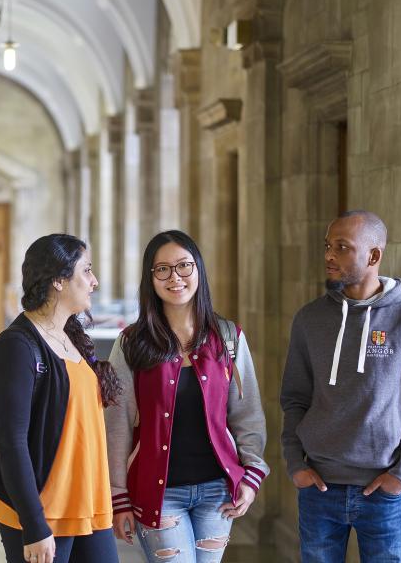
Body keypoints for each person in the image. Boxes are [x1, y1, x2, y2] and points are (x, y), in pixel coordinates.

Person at [280, 210, 401, 563]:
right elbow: (294, 399)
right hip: (319, 489)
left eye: (342, 247)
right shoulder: (310, 319)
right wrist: (295, 464)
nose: (329, 255)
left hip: (383, 492)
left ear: (373, 256)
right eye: (327, 246)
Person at [105, 230, 269, 563]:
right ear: (150, 278)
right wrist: (118, 495)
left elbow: (247, 414)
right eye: (162, 269)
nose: (175, 277)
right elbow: (116, 425)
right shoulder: (131, 343)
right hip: (159, 493)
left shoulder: (228, 337)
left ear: (198, 271)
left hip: (217, 492)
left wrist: (251, 476)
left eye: (183, 266)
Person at [0, 234, 122, 563]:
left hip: (86, 502)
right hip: (45, 511)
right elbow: (10, 442)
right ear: (58, 280)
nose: (94, 281)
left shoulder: (69, 335)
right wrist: (33, 525)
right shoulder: (17, 347)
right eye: (86, 271)